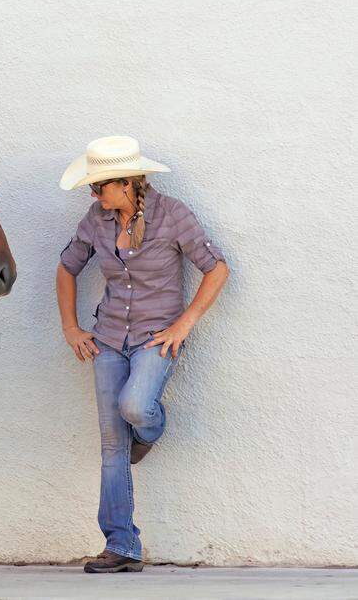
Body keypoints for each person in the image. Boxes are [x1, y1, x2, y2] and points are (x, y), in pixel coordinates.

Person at [55, 136, 230, 573]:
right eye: (93, 189)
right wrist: (71, 327)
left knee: (135, 407)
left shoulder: (173, 216)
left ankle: (150, 433)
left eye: (100, 188)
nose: (94, 196)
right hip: (109, 336)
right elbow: (66, 266)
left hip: (157, 337)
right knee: (112, 444)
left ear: (128, 182)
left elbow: (217, 268)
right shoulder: (96, 220)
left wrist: (184, 324)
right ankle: (122, 546)